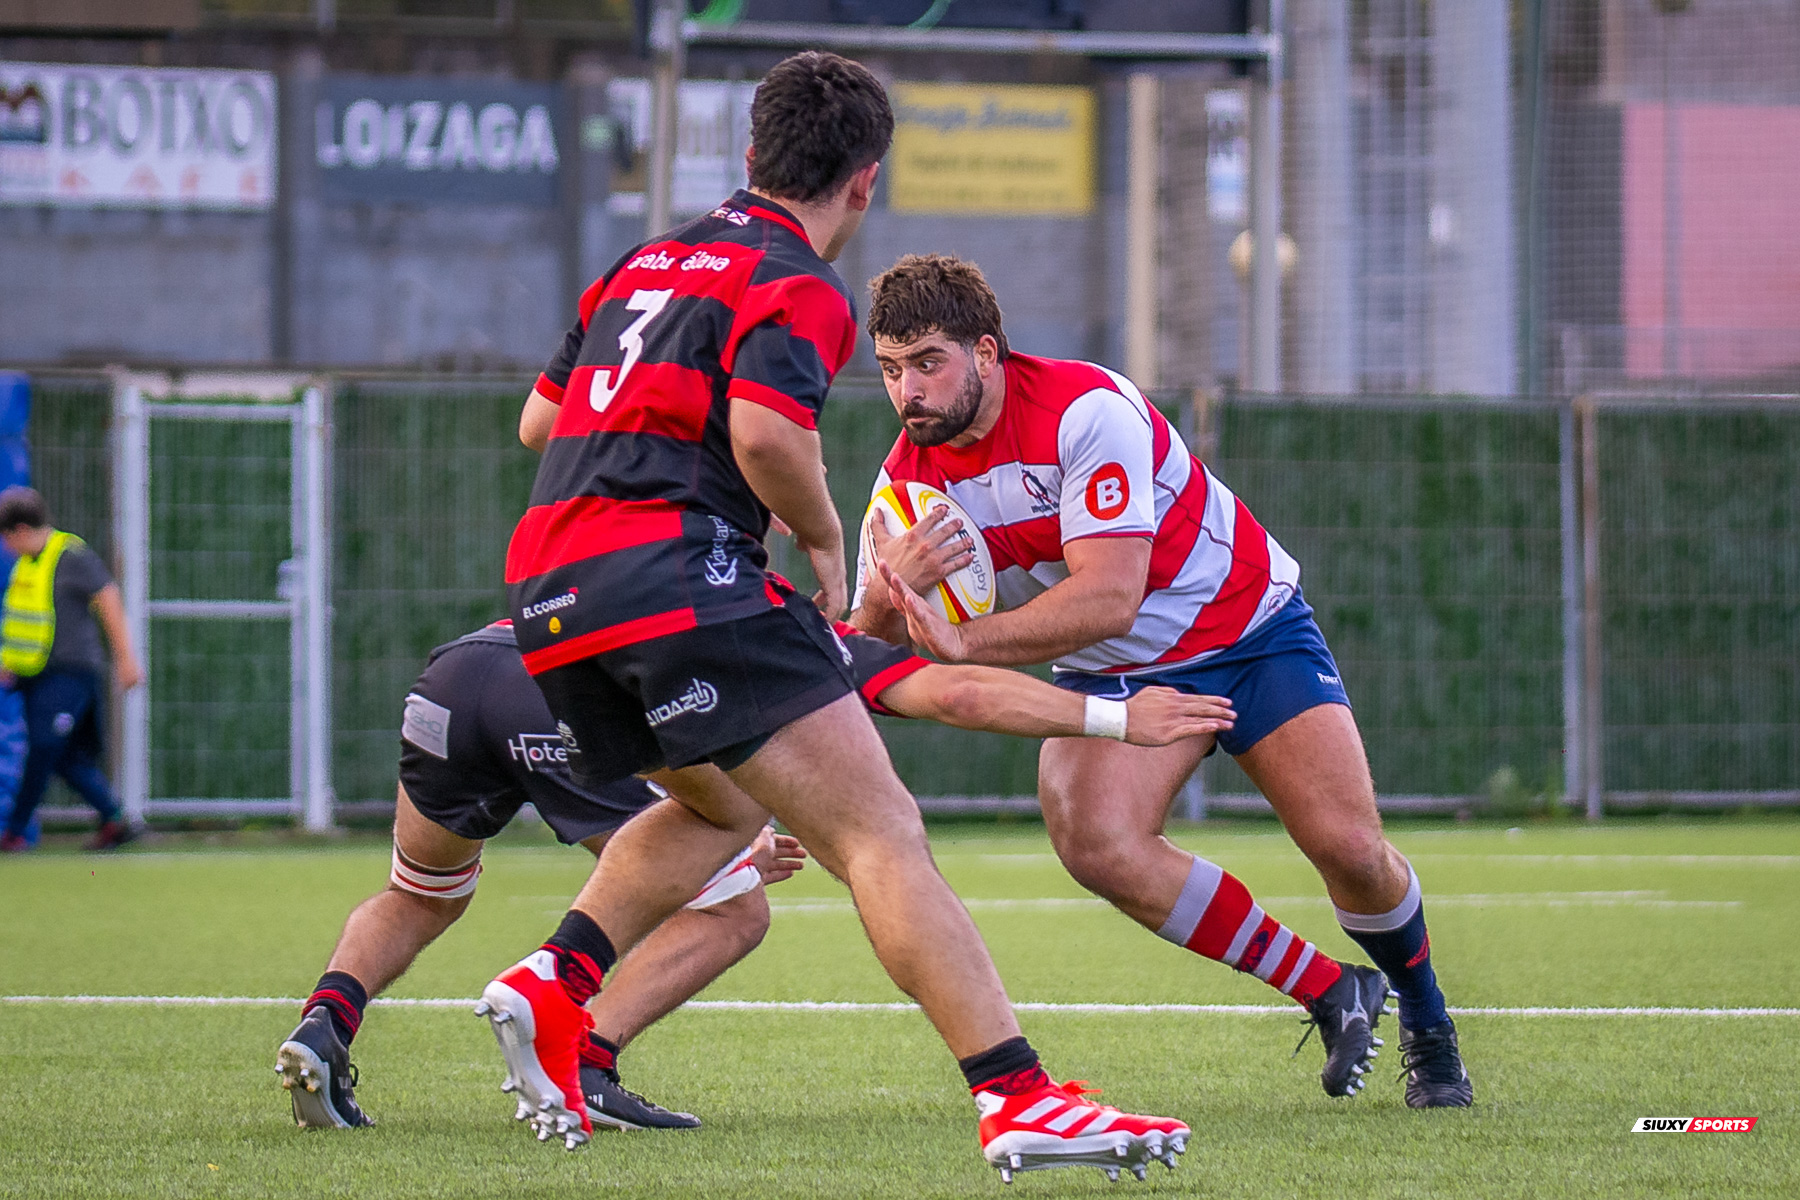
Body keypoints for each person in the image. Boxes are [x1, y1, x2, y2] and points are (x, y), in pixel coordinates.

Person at [485, 51, 1193, 1180]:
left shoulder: (641, 264)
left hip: (554, 597)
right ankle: (1017, 1096)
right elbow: (769, 440)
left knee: (721, 810)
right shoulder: (794, 281)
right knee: (878, 831)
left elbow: (539, 424)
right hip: (681, 584)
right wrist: (822, 544)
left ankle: (553, 980)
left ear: (753, 152)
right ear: (865, 184)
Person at [852, 254, 1474, 1109]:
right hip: (1117, 670)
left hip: (1247, 630)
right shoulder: (902, 486)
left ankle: (1430, 1023)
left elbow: (1111, 595)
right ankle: (1332, 989)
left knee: (1349, 849)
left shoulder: (1085, 410)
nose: (907, 391)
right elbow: (861, 644)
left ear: (986, 353)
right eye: (890, 369)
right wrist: (897, 584)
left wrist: (965, 641)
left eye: (928, 362)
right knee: (1094, 839)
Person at [276, 606, 1230, 1136]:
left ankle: (328, 1021)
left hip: (460, 672)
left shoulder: (675, 561)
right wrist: (1112, 715)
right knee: (738, 908)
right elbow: (961, 688)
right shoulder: (779, 633)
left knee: (421, 889)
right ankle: (581, 1048)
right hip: (558, 691)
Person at [0, 486, 142, 853]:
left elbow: (107, 596)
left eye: (5, 538)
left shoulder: (71, 555)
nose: (6, 546)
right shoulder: (25, 565)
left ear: (18, 530)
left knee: (45, 746)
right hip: (33, 676)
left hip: (70, 673)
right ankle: (114, 818)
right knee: (66, 757)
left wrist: (126, 657)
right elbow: (24, 625)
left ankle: (13, 833)